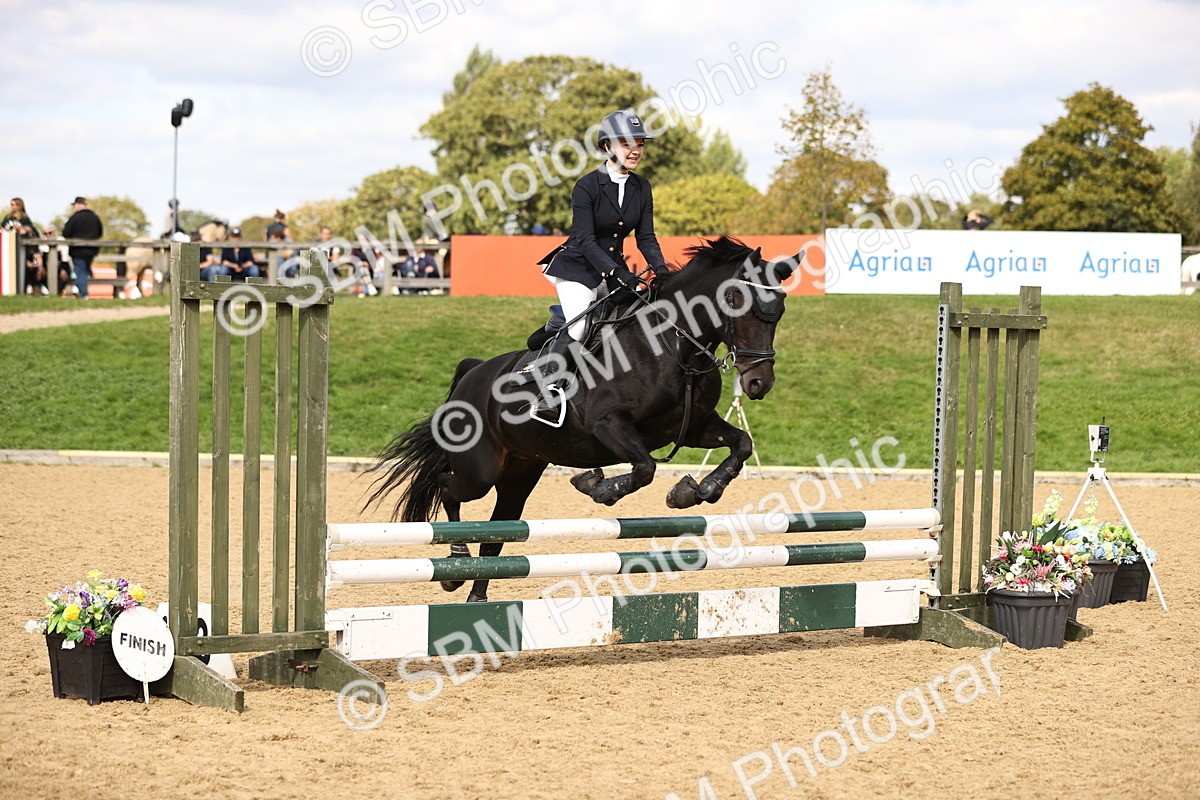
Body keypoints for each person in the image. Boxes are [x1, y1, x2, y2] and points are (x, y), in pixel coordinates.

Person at [529, 109, 669, 415]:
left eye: (640, 144)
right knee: (580, 327)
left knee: (632, 321)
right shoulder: (587, 186)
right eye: (626, 143)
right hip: (578, 266)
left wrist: (661, 269)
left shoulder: (642, 188)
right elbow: (585, 239)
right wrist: (616, 272)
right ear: (607, 146)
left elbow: (646, 237)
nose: (635, 150)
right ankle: (547, 392)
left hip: (612, 268)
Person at [61, 196, 103, 299]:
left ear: (78, 204)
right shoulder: (94, 217)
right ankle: (81, 287)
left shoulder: (75, 217)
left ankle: (83, 294)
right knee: (84, 270)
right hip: (91, 250)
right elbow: (100, 232)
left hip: (77, 250)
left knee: (80, 272)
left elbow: (66, 233)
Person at [2, 198, 44, 294]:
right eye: (11, 204)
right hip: (10, 248)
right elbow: (3, 227)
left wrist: (22, 228)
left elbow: (30, 230)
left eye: (13, 204)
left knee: (31, 276)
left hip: (25, 249)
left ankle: (35, 295)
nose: (11, 206)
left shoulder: (25, 218)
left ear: (19, 206)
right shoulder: (8, 217)